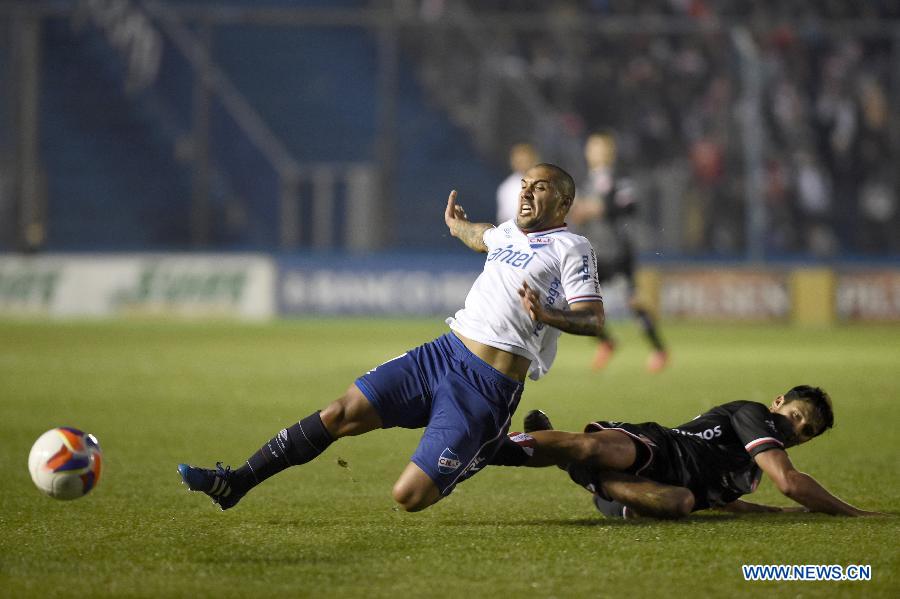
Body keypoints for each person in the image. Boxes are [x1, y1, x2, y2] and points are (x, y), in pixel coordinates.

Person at [178, 163, 605, 512]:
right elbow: (482, 237)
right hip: (441, 355)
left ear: (564, 201)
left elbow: (593, 319)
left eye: (541, 187)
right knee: (339, 412)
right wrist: (458, 227)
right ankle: (236, 482)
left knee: (409, 497)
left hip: (486, 389)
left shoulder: (571, 247)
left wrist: (549, 313)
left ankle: (491, 443)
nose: (526, 193)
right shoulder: (508, 232)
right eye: (525, 185)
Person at [491, 385, 883, 518]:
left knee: (681, 503)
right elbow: (790, 482)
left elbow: (725, 505)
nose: (795, 428)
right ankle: (491, 447)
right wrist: (853, 513)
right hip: (660, 447)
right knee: (591, 446)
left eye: (806, 430)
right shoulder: (753, 414)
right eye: (796, 415)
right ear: (778, 402)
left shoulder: (749, 472)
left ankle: (573, 464)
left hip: (636, 496)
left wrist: (776, 514)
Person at [569, 132, 668, 372]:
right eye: (592, 148)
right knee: (576, 304)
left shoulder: (620, 180)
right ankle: (607, 342)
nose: (596, 153)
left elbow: (629, 206)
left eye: (600, 148)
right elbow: (577, 213)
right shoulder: (583, 182)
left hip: (618, 253)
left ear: (610, 153)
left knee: (634, 302)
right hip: (593, 253)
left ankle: (659, 350)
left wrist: (599, 208)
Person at [497, 143, 540, 224]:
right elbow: (504, 220)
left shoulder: (550, 182)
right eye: (518, 160)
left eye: (525, 159)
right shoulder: (507, 188)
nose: (522, 163)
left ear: (534, 159)